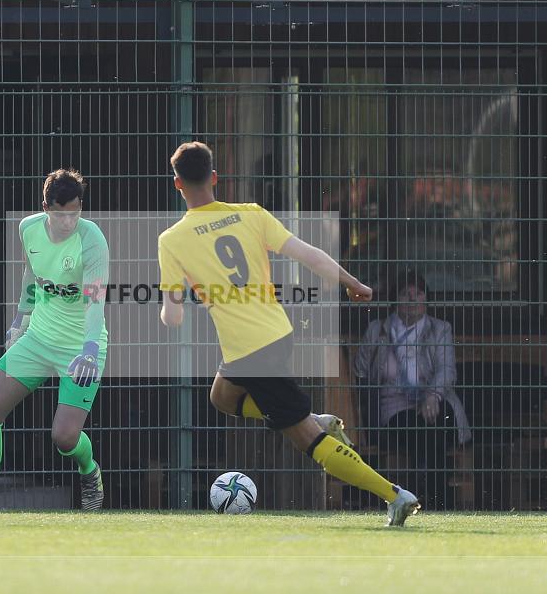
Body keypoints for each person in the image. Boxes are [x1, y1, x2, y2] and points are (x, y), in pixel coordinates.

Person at [157, 142, 420, 526]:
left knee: (307, 440)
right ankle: (313, 416)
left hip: (251, 351)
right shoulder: (249, 214)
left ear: (177, 184)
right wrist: (350, 281)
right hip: (277, 333)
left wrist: (170, 310)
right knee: (222, 396)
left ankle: (394, 495)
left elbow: (173, 317)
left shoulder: (171, 240)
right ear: (215, 178)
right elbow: (308, 253)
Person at [0, 168, 109, 511]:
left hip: (81, 348)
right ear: (46, 206)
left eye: (75, 212)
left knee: (64, 438)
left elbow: (95, 300)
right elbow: (29, 274)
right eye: (61, 213)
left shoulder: (92, 238)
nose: (69, 220)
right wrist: (19, 322)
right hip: (37, 338)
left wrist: (91, 351)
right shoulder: (28, 228)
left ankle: (89, 470)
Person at [354, 269, 472, 509]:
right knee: (421, 428)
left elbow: (447, 370)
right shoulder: (378, 330)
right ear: (395, 299)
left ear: (426, 299)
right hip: (394, 406)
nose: (412, 299)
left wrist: (432, 395)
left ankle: (423, 497)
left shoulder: (440, 329)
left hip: (436, 402)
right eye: (405, 293)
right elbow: (360, 371)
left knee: (437, 422)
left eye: (418, 293)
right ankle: (439, 500)